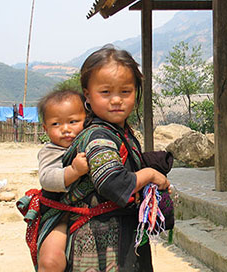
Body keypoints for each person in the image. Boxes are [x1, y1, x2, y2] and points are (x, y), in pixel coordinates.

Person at [38, 44, 171, 272]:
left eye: (125, 92)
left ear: (136, 93)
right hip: (102, 242)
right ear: (87, 94)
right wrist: (149, 174)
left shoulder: (120, 131)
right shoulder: (98, 137)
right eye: (106, 92)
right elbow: (112, 182)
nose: (116, 100)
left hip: (123, 236)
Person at [36, 89, 89, 272]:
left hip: (91, 210)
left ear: (87, 119)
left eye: (73, 122)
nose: (65, 129)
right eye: (56, 124)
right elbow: (47, 179)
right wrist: (73, 171)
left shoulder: (93, 143)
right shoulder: (50, 151)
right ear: (45, 129)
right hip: (60, 214)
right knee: (51, 261)